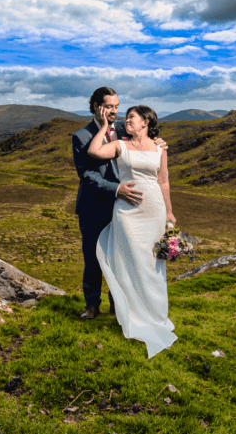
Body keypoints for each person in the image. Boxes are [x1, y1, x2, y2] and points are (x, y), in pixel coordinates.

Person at [87, 104, 177, 358]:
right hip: (127, 213)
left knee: (153, 265)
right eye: (126, 118)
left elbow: (163, 180)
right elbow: (94, 151)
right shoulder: (120, 145)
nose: (127, 121)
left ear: (146, 122)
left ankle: (155, 314)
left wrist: (169, 213)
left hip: (154, 210)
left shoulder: (160, 147)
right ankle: (132, 314)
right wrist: (105, 127)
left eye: (132, 118)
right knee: (130, 262)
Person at [71, 87, 130, 320]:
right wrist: (116, 189)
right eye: (109, 107)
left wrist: (159, 142)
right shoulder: (81, 136)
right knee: (93, 260)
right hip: (93, 208)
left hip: (123, 208)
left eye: (117, 106)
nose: (115, 111)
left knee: (120, 259)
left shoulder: (126, 129)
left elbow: (146, 142)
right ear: (97, 106)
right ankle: (92, 305)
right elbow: (86, 175)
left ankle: (118, 305)